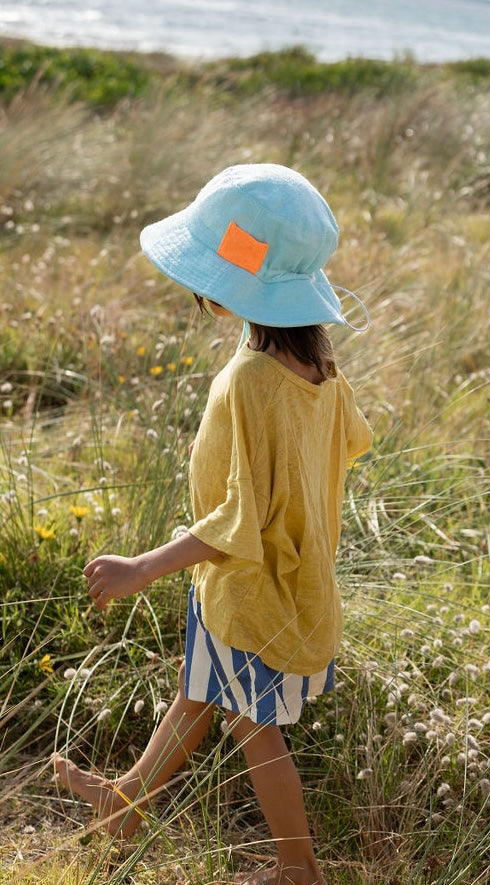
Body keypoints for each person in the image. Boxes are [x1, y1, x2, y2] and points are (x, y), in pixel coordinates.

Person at [54, 163, 373, 885]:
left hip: (252, 591)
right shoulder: (318, 366)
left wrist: (142, 566)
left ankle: (299, 867)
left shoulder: (250, 379)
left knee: (253, 727)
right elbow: (346, 442)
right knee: (199, 691)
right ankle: (125, 800)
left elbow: (239, 517)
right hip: (282, 581)